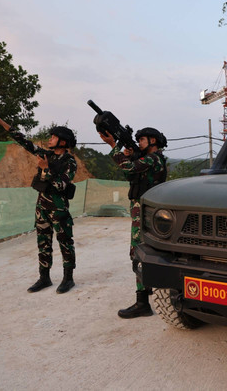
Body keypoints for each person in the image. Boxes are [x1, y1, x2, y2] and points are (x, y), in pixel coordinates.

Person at [0, 109, 78, 294]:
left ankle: (68, 279)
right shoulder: (47, 155)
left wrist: (45, 170)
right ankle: (44, 278)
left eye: (53, 137)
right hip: (42, 207)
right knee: (43, 242)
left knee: (65, 242)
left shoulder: (70, 162)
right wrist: (2, 122)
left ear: (63, 141)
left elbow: (60, 185)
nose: (50, 139)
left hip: (58, 209)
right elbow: (24, 142)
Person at [99, 127, 167, 318]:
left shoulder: (154, 158)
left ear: (153, 141)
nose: (139, 143)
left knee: (139, 253)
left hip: (144, 215)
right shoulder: (148, 160)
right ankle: (143, 299)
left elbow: (128, 168)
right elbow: (130, 174)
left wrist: (113, 146)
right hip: (142, 213)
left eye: (142, 139)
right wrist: (128, 155)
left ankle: (142, 303)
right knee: (140, 254)